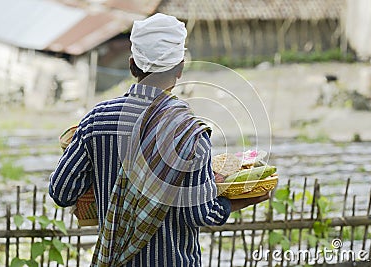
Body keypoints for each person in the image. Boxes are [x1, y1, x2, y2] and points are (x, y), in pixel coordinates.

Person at [49, 13, 269, 267]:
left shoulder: (96, 120)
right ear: (180, 68)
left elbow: (62, 192)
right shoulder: (190, 132)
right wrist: (248, 198)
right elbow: (200, 214)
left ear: (132, 66)